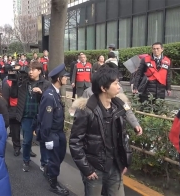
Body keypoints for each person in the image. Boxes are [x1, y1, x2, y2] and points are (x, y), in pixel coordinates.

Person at [69, 67, 132, 196]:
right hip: (95, 169)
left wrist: (124, 161)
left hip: (115, 167)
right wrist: (87, 169)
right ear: (104, 88)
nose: (119, 87)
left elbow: (123, 137)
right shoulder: (86, 110)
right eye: (115, 83)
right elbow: (75, 142)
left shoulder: (119, 107)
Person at [80, 63, 143, 135]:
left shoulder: (119, 94)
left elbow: (127, 109)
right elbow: (80, 129)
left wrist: (135, 124)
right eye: (115, 83)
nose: (118, 86)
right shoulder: (88, 93)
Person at [36, 63, 70, 196]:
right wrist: (47, 138)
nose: (66, 79)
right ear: (58, 79)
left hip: (59, 132)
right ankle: (53, 184)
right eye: (64, 77)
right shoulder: (49, 96)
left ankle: (48, 170)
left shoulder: (55, 92)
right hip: (53, 134)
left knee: (60, 156)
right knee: (55, 159)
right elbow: (45, 120)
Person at [16, 62, 50, 171]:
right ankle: (26, 161)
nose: (30, 72)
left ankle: (44, 163)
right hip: (27, 116)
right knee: (26, 141)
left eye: (33, 69)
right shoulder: (24, 83)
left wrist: (41, 92)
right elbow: (14, 92)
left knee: (43, 141)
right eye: (29, 69)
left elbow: (50, 98)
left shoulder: (45, 84)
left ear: (39, 71)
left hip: (41, 116)